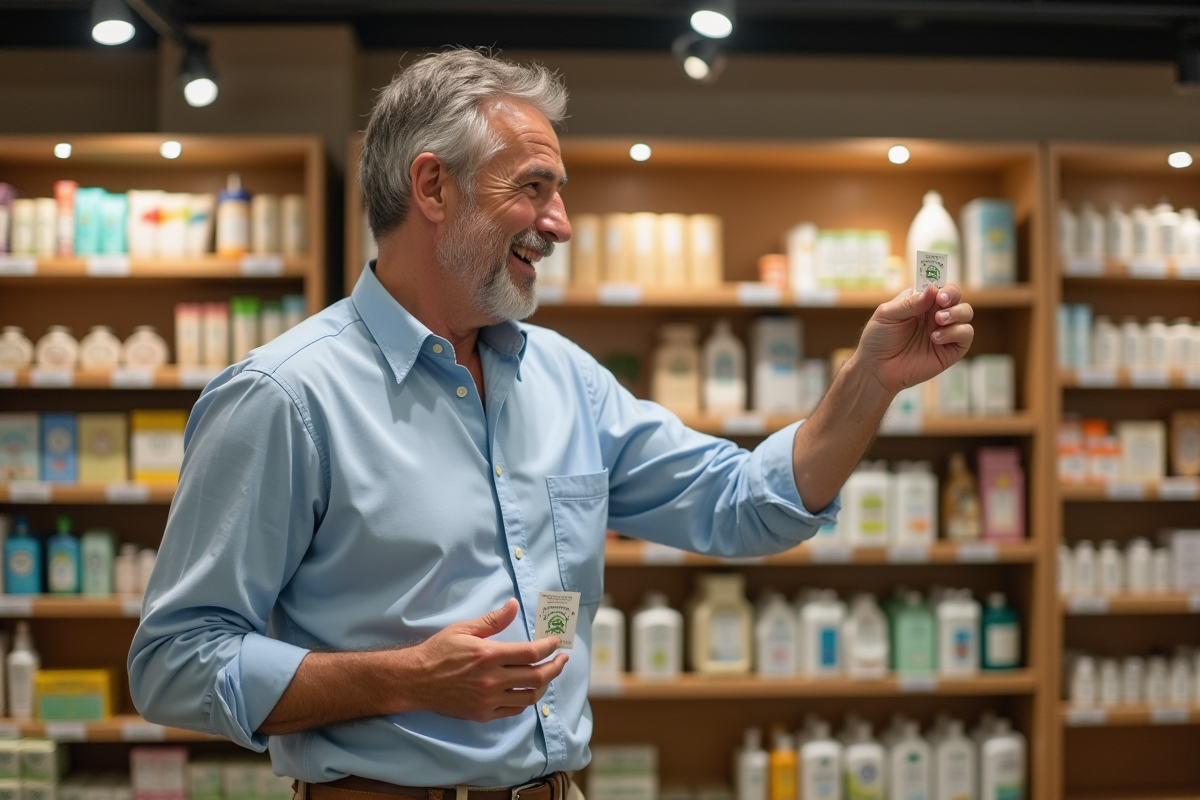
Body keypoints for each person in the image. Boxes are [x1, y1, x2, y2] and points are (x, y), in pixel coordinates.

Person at [128, 48, 973, 799]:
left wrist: (870, 382)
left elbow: (747, 504)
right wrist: (405, 680)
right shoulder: (286, 397)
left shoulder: (564, 378)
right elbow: (172, 663)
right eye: (533, 188)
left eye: (559, 193)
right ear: (432, 187)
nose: (560, 224)